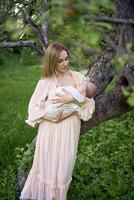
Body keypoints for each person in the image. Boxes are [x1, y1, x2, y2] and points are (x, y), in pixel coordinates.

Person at [20, 43, 96, 200]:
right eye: (60, 61)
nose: (65, 63)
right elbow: (33, 107)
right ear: (52, 62)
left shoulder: (77, 77)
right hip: (49, 129)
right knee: (45, 166)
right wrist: (51, 117)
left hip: (69, 130)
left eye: (66, 59)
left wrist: (72, 98)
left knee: (63, 170)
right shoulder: (46, 81)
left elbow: (88, 103)